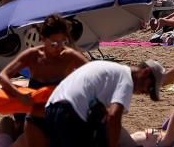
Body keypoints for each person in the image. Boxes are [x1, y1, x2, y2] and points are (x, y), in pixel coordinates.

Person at [36, 59, 164, 147]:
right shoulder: (126, 79)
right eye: (150, 88)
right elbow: (114, 118)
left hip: (51, 109)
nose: (146, 93)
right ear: (145, 72)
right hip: (70, 113)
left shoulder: (110, 69)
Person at [0, 15, 88, 122]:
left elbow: (95, 73)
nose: (59, 47)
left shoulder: (69, 56)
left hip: (61, 111)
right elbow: (2, 76)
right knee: (7, 122)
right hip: (35, 110)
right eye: (54, 44)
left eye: (63, 42)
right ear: (43, 39)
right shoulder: (33, 55)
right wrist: (20, 95)